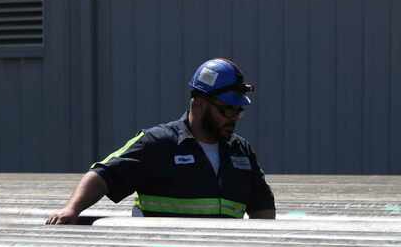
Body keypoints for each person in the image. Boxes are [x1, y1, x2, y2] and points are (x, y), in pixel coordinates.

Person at [46, 58, 275, 224]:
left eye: (238, 111)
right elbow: (102, 174)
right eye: (226, 110)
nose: (234, 118)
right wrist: (72, 209)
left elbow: (262, 208)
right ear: (199, 104)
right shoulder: (157, 144)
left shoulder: (241, 151)